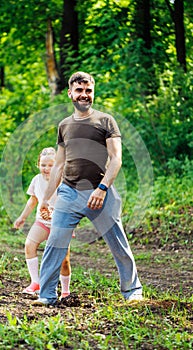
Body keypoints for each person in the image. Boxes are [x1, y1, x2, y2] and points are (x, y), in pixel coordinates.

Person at [35, 71, 143, 306]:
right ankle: (46, 296)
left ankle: (132, 291)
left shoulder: (106, 121)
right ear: (70, 93)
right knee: (55, 244)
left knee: (118, 243)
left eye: (88, 91)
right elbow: (60, 164)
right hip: (68, 192)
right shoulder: (64, 125)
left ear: (93, 92)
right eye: (79, 90)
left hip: (100, 193)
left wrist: (102, 188)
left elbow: (116, 159)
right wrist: (45, 198)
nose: (84, 95)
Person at [13, 147, 71, 298]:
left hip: (61, 225)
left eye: (51, 165)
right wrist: (22, 217)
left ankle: (65, 291)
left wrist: (72, 224)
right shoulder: (36, 180)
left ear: (58, 165)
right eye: (43, 165)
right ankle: (35, 282)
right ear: (38, 164)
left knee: (64, 260)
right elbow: (33, 200)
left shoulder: (63, 180)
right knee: (29, 245)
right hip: (42, 222)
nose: (46, 168)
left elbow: (70, 203)